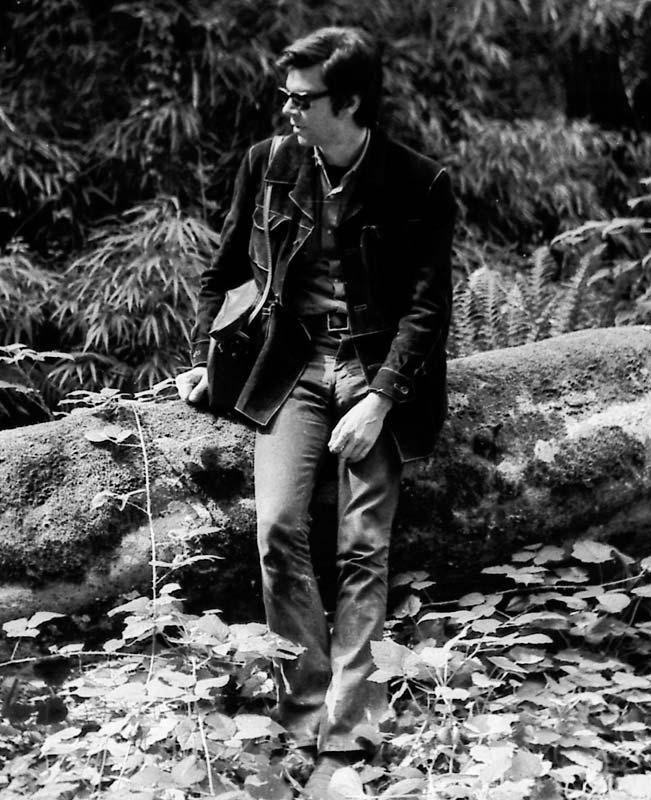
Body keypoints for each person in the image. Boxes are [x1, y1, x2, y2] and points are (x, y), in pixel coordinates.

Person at [175, 26, 456, 798]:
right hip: (292, 364)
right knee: (276, 527)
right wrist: (211, 360)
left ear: (353, 101)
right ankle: (305, 710)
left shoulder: (420, 183)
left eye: (304, 98)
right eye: (285, 96)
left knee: (363, 545)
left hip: (373, 372)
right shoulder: (268, 165)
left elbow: (428, 311)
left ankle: (349, 730)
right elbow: (224, 270)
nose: (288, 110)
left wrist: (381, 400)